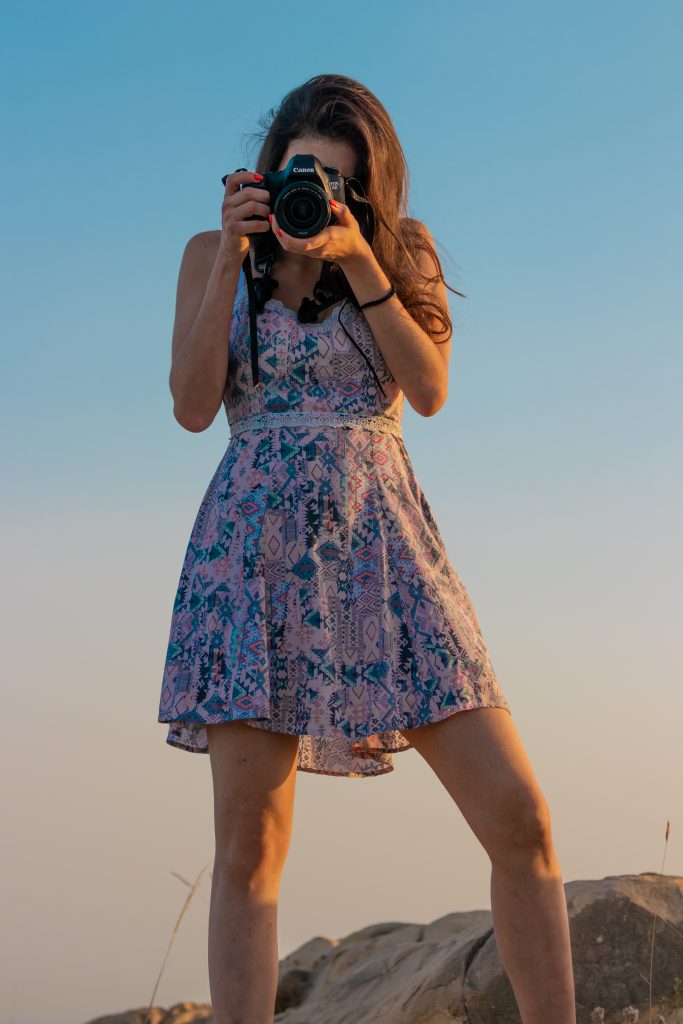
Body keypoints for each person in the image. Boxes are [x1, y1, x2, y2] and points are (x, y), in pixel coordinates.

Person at [158, 74, 576, 1024]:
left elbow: (427, 389)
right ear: (269, 172)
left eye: (340, 183)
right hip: (252, 555)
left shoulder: (401, 252)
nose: (319, 197)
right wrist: (232, 253)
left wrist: (359, 260)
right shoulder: (211, 253)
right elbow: (190, 407)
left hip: (385, 553)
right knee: (249, 846)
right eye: (304, 174)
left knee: (520, 816)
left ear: (368, 188)